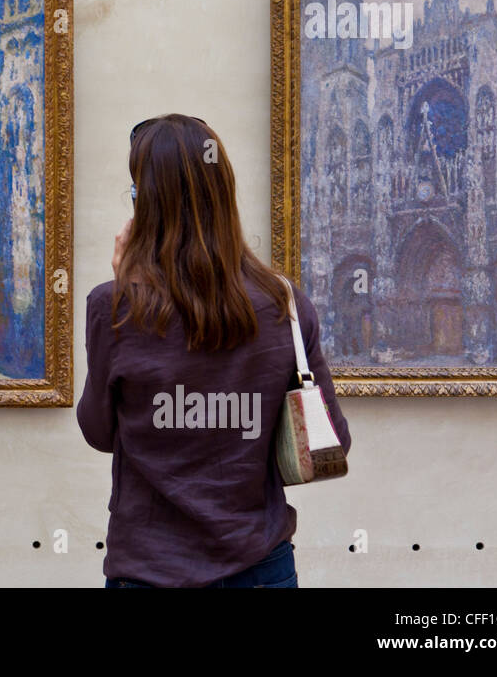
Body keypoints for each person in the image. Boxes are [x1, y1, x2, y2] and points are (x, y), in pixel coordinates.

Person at [77, 114, 351, 588]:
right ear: (223, 194)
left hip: (149, 571)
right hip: (259, 566)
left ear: (148, 208)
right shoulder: (284, 303)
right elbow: (335, 441)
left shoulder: (114, 306)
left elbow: (99, 432)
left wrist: (125, 284)